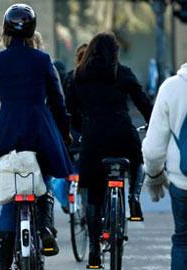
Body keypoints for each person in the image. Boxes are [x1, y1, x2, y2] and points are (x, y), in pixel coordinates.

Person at [0, 4, 73, 269]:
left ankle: (4, 262)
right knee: (44, 180)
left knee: (10, 194)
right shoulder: (42, 60)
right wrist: (64, 132)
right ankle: (44, 229)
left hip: (7, 132)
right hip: (39, 130)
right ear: (32, 31)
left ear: (6, 30)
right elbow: (56, 100)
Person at [66, 32, 153, 268]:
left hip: (93, 139)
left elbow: (69, 111)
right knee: (137, 161)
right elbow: (142, 101)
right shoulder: (121, 73)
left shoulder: (77, 76)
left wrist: (79, 130)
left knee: (94, 196)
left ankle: (94, 250)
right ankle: (134, 201)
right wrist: (152, 122)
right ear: (115, 52)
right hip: (123, 135)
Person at [142, 62, 187, 270]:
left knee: (183, 241)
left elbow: (152, 150)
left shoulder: (171, 88)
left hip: (182, 183)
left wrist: (154, 176)